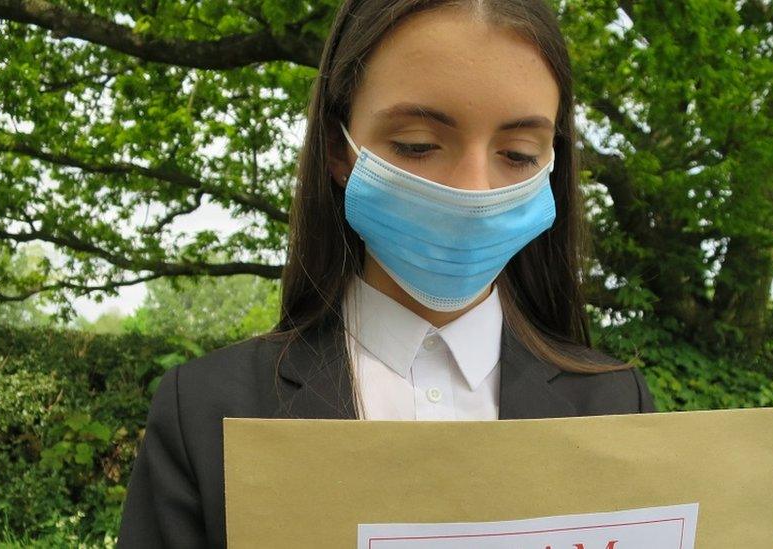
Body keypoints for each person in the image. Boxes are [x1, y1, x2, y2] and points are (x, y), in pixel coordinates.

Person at [117, 0, 657, 547]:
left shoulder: (615, 403)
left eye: (517, 154)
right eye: (417, 145)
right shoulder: (207, 411)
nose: (473, 191)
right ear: (338, 148)